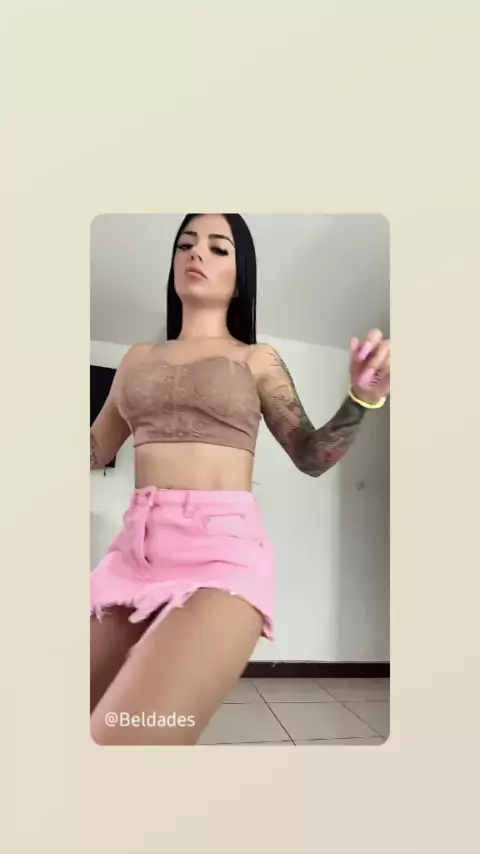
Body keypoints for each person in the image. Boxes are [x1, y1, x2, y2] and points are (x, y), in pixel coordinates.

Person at [89, 213, 390, 745]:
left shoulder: (257, 359)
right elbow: (95, 448)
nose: (196, 253)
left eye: (217, 247)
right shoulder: (135, 360)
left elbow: (312, 455)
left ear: (240, 275)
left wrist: (362, 399)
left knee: (126, 738)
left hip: (221, 557)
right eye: (186, 244)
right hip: (132, 554)